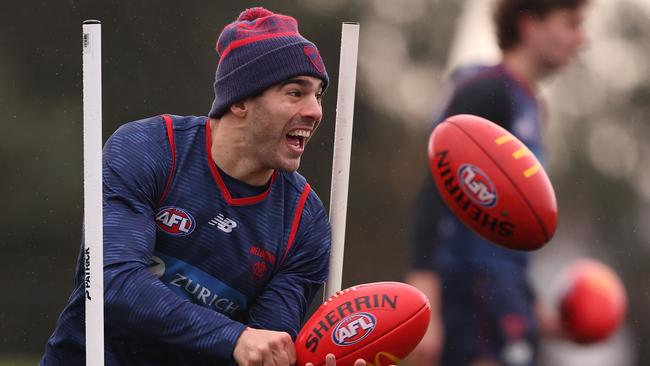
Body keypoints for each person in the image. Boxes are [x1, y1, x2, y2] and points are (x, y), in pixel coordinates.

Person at [41, 7, 367, 366]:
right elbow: (112, 283)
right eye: (295, 93)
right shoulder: (149, 149)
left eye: (318, 94)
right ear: (240, 101)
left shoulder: (305, 222)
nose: (315, 111)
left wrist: (321, 355)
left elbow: (267, 344)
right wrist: (233, 337)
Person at [406, 1, 589, 365]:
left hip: (502, 290)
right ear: (530, 25)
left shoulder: (532, 106)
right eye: (571, 24)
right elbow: (434, 193)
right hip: (470, 290)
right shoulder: (486, 91)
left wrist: (534, 307)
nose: (581, 39)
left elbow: (511, 226)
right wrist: (424, 296)